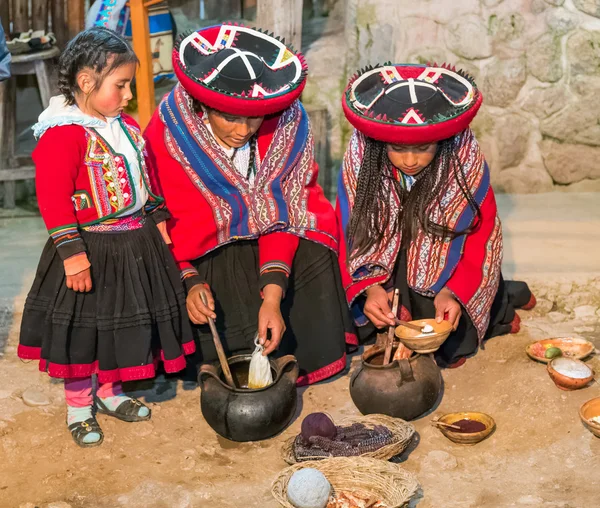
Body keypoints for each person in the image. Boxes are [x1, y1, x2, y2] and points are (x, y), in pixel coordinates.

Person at [144, 23, 354, 385]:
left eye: (253, 117)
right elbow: (158, 221)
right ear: (202, 105)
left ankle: (304, 352)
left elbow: (288, 208)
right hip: (198, 256)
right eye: (230, 117)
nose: (244, 130)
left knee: (315, 242)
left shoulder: (288, 120)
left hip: (273, 241)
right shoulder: (168, 132)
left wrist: (272, 297)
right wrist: (189, 279)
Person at [17, 27, 194, 447]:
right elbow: (53, 199)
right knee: (85, 330)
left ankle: (110, 392)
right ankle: (80, 408)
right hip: (91, 249)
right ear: (86, 82)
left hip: (135, 244)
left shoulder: (126, 126)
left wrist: (159, 219)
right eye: (121, 84)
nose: (129, 93)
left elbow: (143, 177)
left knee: (117, 328)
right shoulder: (63, 134)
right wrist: (72, 255)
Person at [337, 63, 536, 368]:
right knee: (362, 323)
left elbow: (482, 236)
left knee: (452, 338)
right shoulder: (362, 156)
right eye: (398, 148)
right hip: (386, 264)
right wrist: (371, 287)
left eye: (424, 147)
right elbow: (350, 228)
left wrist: (453, 292)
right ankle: (508, 291)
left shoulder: (463, 156)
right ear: (380, 142)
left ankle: (502, 300)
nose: (411, 160)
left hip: (446, 268)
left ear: (442, 140)